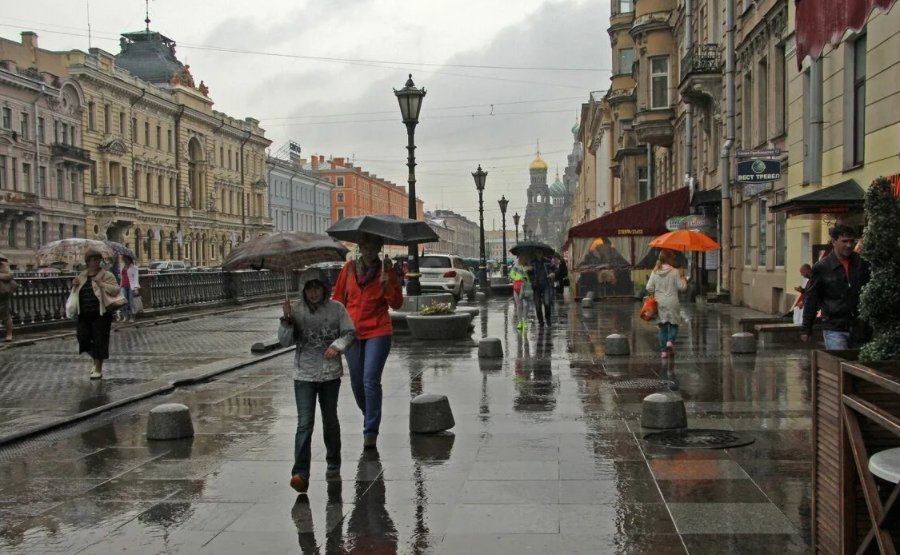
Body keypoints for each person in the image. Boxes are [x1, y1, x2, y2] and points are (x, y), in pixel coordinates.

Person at [279, 267, 356, 494]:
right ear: (303, 290)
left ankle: (333, 462)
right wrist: (286, 321)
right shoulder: (296, 311)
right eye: (309, 288)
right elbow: (284, 342)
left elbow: (349, 333)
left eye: (317, 287)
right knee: (305, 423)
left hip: (329, 373)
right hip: (303, 374)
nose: (313, 292)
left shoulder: (337, 309)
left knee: (330, 419)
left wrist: (337, 346)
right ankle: (300, 474)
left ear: (324, 288)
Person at [332, 234, 403, 450]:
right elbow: (338, 300)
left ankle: (370, 431)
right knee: (356, 383)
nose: (368, 250)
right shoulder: (349, 269)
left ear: (379, 248)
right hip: (352, 333)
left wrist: (387, 287)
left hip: (378, 331)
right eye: (365, 246)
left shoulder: (386, 271)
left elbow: (397, 303)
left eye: (372, 246)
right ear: (360, 247)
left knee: (370, 380)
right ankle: (369, 412)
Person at [801, 224, 871, 350]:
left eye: (851, 241)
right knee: (840, 364)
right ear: (834, 241)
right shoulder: (822, 267)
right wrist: (806, 329)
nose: (849, 245)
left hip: (859, 328)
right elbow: (811, 298)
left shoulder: (862, 263)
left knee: (858, 365)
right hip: (835, 327)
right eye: (844, 241)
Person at [70, 249, 123, 379]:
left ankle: (98, 367)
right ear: (87, 262)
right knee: (82, 338)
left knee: (100, 340)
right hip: (84, 313)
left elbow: (116, 290)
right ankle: (96, 357)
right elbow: (76, 293)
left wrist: (102, 284)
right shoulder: (82, 275)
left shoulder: (107, 275)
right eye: (92, 260)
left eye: (98, 260)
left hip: (101, 313)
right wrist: (74, 285)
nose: (95, 262)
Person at [646, 249, 688, 358]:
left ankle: (664, 352)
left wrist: (656, 292)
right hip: (673, 302)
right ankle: (670, 341)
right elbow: (681, 287)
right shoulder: (675, 271)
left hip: (660, 303)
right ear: (670, 259)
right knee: (674, 324)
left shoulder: (655, 272)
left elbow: (649, 287)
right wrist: (683, 279)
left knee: (663, 327)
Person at [528, 253, 556, 326]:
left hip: (546, 284)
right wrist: (529, 270)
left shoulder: (547, 261)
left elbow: (554, 270)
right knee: (537, 305)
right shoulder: (532, 262)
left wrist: (552, 274)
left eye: (540, 252)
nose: (538, 254)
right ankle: (540, 321)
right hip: (536, 286)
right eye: (537, 252)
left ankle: (547, 318)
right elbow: (529, 275)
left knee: (547, 303)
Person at [509, 257, 532, 330]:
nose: (521, 260)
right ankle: (520, 322)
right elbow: (512, 275)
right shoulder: (515, 267)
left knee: (526, 305)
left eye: (523, 258)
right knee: (519, 305)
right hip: (517, 287)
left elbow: (530, 277)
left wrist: (529, 270)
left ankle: (525, 321)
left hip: (525, 288)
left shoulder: (528, 267)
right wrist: (520, 277)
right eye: (520, 259)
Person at [0, 253, 16, 342]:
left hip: (2, 294)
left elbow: (10, 275)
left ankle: (9, 334)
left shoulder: (3, 266)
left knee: (6, 315)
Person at [120, 255, 140, 323]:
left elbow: (136, 278)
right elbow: (122, 276)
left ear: (129, 259)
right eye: (124, 258)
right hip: (123, 286)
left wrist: (136, 288)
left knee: (131, 303)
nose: (124, 260)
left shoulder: (134, 267)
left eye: (126, 258)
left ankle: (132, 317)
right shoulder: (122, 266)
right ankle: (125, 316)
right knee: (123, 302)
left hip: (131, 287)